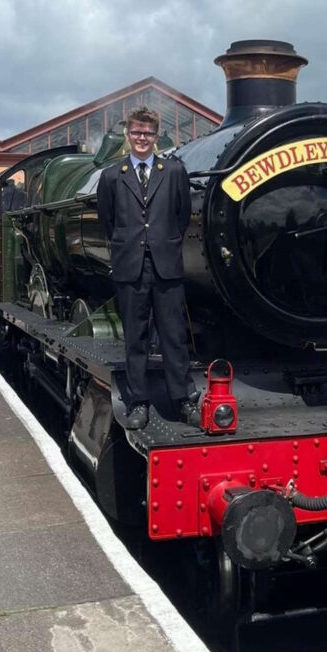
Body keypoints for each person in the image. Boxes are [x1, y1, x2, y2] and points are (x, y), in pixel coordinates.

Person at [97, 108, 197, 430]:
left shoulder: (175, 172)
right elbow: (107, 222)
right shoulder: (113, 176)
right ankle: (138, 402)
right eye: (137, 133)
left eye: (148, 134)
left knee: (174, 337)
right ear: (129, 134)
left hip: (166, 266)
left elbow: (182, 217)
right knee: (135, 340)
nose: (142, 139)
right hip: (130, 268)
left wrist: (163, 244)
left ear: (157, 138)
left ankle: (182, 400)